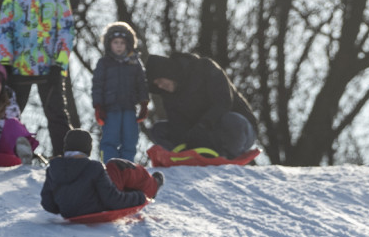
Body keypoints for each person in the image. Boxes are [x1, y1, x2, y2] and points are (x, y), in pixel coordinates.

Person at [0, 0, 75, 156]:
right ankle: (2, 152)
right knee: (8, 112)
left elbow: (66, 33)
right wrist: (4, 61)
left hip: (48, 68)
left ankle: (65, 156)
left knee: (57, 113)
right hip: (18, 66)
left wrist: (60, 64)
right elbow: (5, 27)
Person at [145, 52, 257, 160]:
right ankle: (183, 157)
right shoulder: (167, 95)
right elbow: (177, 123)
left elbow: (224, 101)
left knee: (233, 121)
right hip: (202, 137)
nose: (160, 86)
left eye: (160, 80)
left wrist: (203, 125)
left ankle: (229, 155)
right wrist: (188, 137)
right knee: (158, 130)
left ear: (168, 72)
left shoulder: (205, 67)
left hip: (237, 130)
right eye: (156, 84)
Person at [41, 129, 163, 219]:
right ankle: (152, 185)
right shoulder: (93, 168)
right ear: (88, 148)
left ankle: (150, 184)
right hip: (96, 210)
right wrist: (139, 197)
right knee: (117, 166)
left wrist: (68, 205)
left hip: (69, 214)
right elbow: (113, 200)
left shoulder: (52, 169)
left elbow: (48, 204)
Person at [91, 22, 149, 163]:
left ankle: (127, 167)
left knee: (130, 139)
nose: (119, 46)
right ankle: (110, 166)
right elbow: (97, 85)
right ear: (109, 44)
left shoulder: (135, 63)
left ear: (128, 44)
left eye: (122, 43)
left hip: (129, 108)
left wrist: (144, 103)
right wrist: (98, 105)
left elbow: (142, 83)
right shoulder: (104, 63)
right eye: (115, 42)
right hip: (110, 109)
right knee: (110, 139)